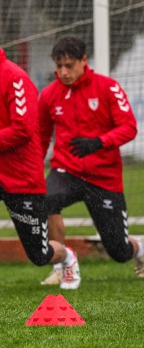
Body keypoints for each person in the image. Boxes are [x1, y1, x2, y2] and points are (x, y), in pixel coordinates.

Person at [0, 13, 79, 295]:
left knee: (39, 254)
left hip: (21, 177)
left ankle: (68, 257)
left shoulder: (15, 77)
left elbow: (22, 131)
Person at [37, 35, 141, 284]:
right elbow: (40, 137)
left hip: (104, 178)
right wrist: (33, 169)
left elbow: (130, 128)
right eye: (58, 66)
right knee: (47, 199)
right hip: (67, 172)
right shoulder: (49, 95)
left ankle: (140, 250)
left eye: (69, 65)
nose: (63, 72)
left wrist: (99, 142)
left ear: (84, 61)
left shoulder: (107, 87)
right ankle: (62, 264)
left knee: (118, 251)